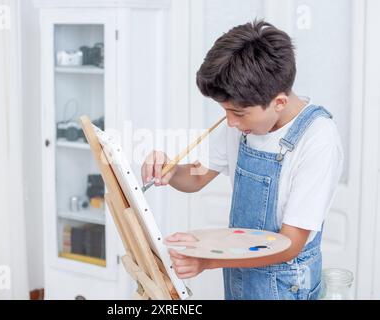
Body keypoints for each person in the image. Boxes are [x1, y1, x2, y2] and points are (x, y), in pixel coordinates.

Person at [141, 20, 343, 300]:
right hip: (240, 277)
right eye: (225, 110)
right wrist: (170, 170)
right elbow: (198, 176)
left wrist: (208, 261)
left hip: (286, 284)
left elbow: (291, 244)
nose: (230, 122)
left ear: (279, 102)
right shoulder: (241, 122)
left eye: (238, 112)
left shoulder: (318, 138)